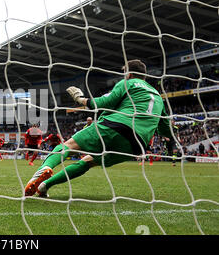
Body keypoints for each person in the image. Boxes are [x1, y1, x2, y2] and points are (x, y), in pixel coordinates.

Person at [24, 59, 172, 197]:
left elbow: (105, 102)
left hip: (115, 126)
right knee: (88, 162)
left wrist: (81, 99)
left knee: (68, 146)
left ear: (130, 74)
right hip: (135, 145)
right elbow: (166, 130)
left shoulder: (128, 83)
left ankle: (43, 169)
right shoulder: (158, 96)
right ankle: (44, 186)